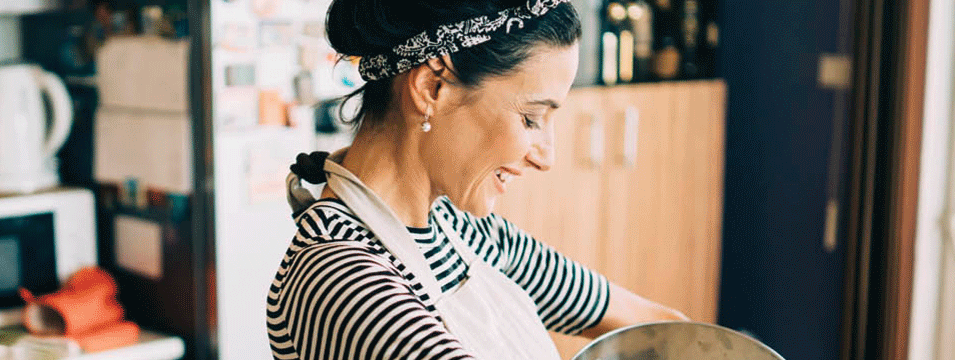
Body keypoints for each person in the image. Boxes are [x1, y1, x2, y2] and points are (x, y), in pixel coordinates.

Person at [267, 0, 689, 358]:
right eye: (531, 117)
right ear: (432, 87)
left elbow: (660, 328)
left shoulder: (467, 232)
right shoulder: (340, 278)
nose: (547, 157)